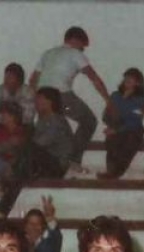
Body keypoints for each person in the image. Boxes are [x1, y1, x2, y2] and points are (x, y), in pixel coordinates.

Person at [29, 25, 111, 175]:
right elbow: (94, 78)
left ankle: (48, 163)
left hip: (42, 97)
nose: (82, 50)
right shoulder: (75, 53)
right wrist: (108, 100)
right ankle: (73, 159)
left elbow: (33, 79)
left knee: (49, 129)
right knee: (89, 121)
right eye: (82, 47)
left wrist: (35, 101)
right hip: (61, 96)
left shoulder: (48, 53)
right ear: (75, 40)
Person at [0, 89, 73, 217]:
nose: (36, 102)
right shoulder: (42, 120)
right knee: (22, 171)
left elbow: (39, 144)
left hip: (57, 167)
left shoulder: (56, 121)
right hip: (41, 164)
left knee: (27, 149)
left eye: (39, 99)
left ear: (49, 102)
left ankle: (4, 187)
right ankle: (2, 206)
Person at [99, 68, 144, 179]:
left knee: (129, 141)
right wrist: (112, 127)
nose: (127, 80)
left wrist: (117, 129)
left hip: (132, 130)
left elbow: (135, 121)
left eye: (131, 79)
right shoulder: (115, 96)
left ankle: (115, 174)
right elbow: (106, 115)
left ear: (137, 83)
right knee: (112, 140)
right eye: (126, 78)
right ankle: (110, 171)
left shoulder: (139, 100)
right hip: (116, 125)